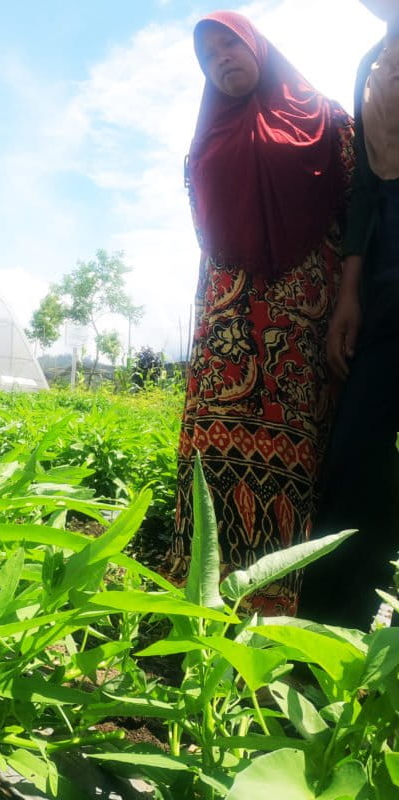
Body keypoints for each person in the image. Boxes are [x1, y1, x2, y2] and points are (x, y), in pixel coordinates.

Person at [166, 12, 353, 616]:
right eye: (208, 56)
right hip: (225, 326)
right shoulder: (206, 140)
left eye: (229, 45)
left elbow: (358, 215)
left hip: (299, 328)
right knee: (211, 453)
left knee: (297, 457)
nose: (220, 59)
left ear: (257, 48)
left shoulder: (324, 118)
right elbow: (204, 227)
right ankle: (203, 592)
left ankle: (277, 606)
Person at [300, 0, 399, 629]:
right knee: (359, 447)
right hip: (388, 258)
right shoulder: (372, 61)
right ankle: (338, 634)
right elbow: (366, 188)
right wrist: (348, 292)